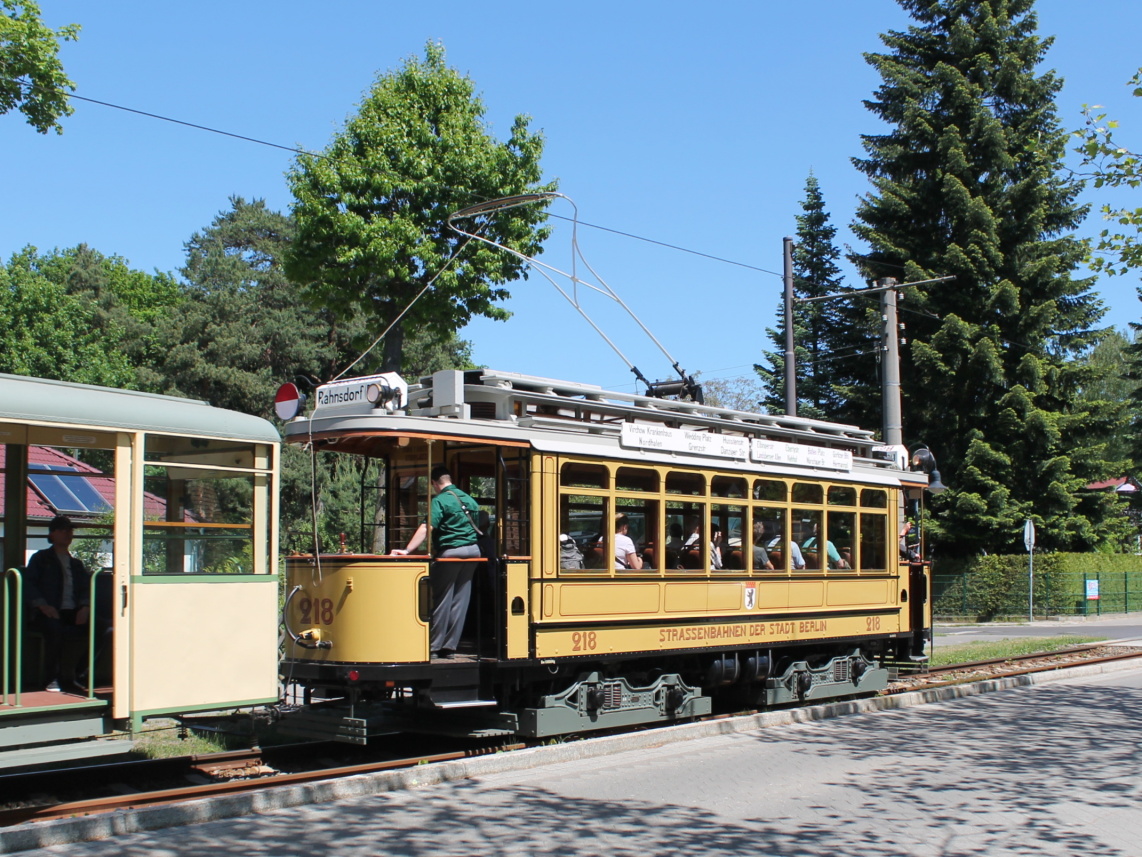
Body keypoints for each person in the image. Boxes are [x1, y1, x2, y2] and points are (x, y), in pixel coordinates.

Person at [390, 465, 480, 659]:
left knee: (442, 599)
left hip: (450, 553)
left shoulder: (440, 500)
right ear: (449, 480)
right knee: (460, 601)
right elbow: (483, 523)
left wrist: (407, 550)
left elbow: (426, 528)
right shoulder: (469, 499)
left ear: (434, 483)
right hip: (473, 552)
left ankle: (435, 646)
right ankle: (450, 648)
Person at [25, 516, 90, 692]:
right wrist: (43, 606)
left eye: (70, 530)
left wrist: (85, 607)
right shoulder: (41, 558)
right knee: (54, 630)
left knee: (107, 629)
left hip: (72, 612)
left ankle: (79, 675)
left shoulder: (76, 564)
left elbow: (85, 588)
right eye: (63, 530)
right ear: (52, 534)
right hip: (47, 613)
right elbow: (29, 584)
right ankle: (52, 678)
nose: (68, 533)